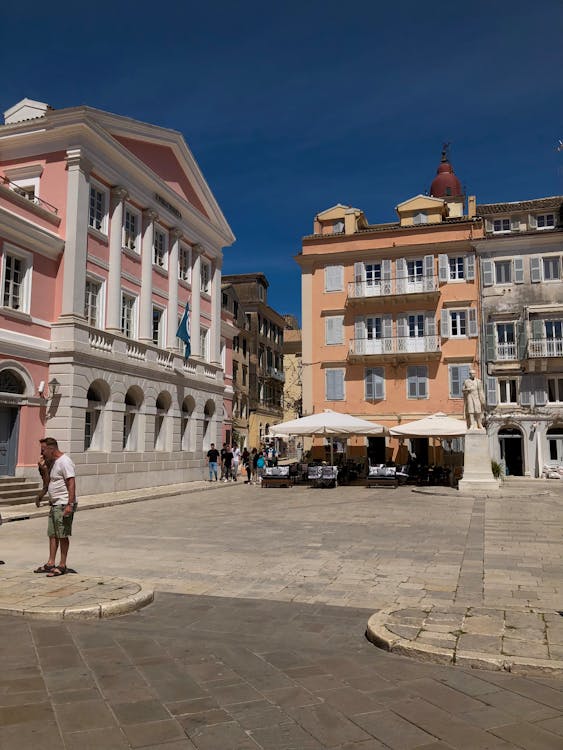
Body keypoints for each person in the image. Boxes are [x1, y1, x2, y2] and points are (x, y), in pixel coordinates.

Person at [34, 437, 76, 577]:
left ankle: (62, 565)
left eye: (43, 450)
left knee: (62, 535)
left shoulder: (65, 461)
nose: (42, 453)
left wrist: (70, 504)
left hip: (63, 503)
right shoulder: (52, 462)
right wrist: (43, 469)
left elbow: (71, 483)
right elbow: (48, 482)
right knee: (52, 535)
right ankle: (51, 563)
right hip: (54, 503)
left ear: (52, 449)